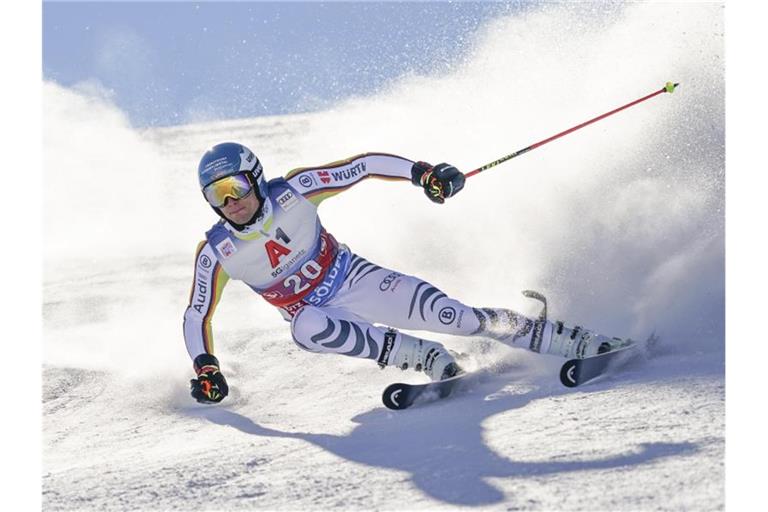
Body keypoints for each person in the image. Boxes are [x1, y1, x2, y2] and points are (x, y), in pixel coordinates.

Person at [184, 142, 629, 404]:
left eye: (235, 187)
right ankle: (426, 358)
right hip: (319, 316)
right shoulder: (218, 252)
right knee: (306, 325)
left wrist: (424, 174)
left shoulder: (296, 190)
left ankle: (575, 340)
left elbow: (363, 167)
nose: (230, 202)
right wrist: (206, 366)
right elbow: (197, 315)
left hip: (354, 278)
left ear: (256, 179)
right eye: (216, 195)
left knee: (459, 318)